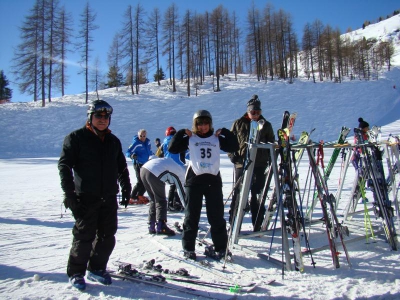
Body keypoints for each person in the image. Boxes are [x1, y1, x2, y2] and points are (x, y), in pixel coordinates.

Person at [58, 100, 131, 291]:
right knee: (84, 236)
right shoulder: (76, 138)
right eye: (98, 116)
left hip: (108, 196)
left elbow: (121, 167)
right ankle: (76, 272)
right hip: (86, 197)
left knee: (107, 235)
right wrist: (69, 194)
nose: (103, 120)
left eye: (106, 117)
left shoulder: (113, 141)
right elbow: (64, 166)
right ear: (90, 117)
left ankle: (97, 268)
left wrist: (126, 187)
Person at [168, 110, 239, 260]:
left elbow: (234, 146)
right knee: (192, 216)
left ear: (210, 124)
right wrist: (181, 133)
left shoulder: (216, 138)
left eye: (206, 123)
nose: (203, 127)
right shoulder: (191, 138)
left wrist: (225, 132)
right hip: (194, 180)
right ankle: (188, 248)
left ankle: (221, 248)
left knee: (216, 217)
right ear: (195, 125)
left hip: (213, 180)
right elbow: (172, 148)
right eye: (199, 124)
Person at [227, 95, 275, 232]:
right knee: (239, 193)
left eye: (258, 112)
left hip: (259, 164)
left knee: (257, 194)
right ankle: (233, 223)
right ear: (248, 111)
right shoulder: (238, 123)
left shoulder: (266, 125)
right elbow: (230, 142)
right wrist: (233, 157)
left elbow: (271, 142)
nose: (256, 115)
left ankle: (257, 223)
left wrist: (270, 160)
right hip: (241, 163)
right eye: (253, 112)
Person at [140, 156, 187, 236]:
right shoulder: (181, 173)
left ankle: (151, 225)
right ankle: (161, 226)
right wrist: (188, 208)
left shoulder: (173, 164)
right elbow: (182, 193)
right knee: (161, 200)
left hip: (144, 169)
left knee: (153, 199)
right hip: (154, 172)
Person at [158, 126, 186, 211]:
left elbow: (159, 155)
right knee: (179, 184)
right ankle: (176, 202)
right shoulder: (178, 140)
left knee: (172, 184)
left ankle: (170, 203)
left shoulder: (164, 142)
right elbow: (184, 153)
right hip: (178, 165)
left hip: (167, 164)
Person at [125, 129, 153, 204]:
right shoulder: (136, 143)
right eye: (141, 136)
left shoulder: (148, 142)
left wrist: (153, 157)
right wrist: (132, 155)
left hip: (146, 163)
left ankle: (140, 195)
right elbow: (128, 152)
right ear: (138, 135)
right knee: (140, 181)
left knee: (146, 181)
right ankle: (132, 196)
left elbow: (149, 151)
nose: (142, 137)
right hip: (138, 163)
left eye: (144, 136)